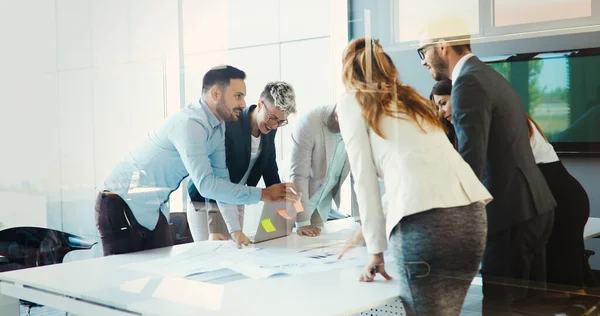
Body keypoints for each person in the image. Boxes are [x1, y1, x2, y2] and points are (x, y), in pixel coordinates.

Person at [337, 37, 491, 316]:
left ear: (348, 72)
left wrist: (376, 250)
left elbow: (364, 180)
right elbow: (413, 174)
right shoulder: (412, 99)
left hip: (425, 223)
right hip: (471, 218)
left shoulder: (353, 101)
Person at [419, 29, 556, 313]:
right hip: (532, 208)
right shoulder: (488, 74)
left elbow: (471, 157)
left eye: (423, 52)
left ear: (442, 45)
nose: (422, 61)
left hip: (510, 215)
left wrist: (445, 220)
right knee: (531, 307)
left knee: (500, 307)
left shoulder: (468, 82)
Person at [96, 65, 297, 255]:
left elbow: (221, 181)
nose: (243, 103)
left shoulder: (218, 129)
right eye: (237, 96)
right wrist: (262, 194)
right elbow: (206, 184)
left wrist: (235, 230)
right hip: (120, 200)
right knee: (122, 280)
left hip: (153, 206)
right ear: (216, 94)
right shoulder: (190, 124)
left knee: (162, 271)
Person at [431, 80, 591, 291]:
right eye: (437, 107)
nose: (441, 112)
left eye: (443, 103)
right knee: (564, 280)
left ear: (461, 97)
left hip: (557, 198)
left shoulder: (493, 121)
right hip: (551, 197)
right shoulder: (498, 117)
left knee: (563, 286)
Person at [187, 81, 297, 247]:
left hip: (237, 197)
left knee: (236, 252)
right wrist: (214, 227)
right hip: (207, 203)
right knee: (211, 256)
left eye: (281, 122)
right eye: (272, 118)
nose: (274, 125)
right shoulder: (230, 124)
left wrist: (290, 209)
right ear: (260, 104)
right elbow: (213, 176)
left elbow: (270, 172)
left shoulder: (268, 132)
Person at [289, 104, 359, 237]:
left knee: (317, 244)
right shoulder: (309, 122)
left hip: (319, 203)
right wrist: (303, 223)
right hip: (292, 197)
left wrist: (362, 217)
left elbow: (359, 175)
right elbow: (299, 177)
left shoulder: (359, 127)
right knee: (274, 235)